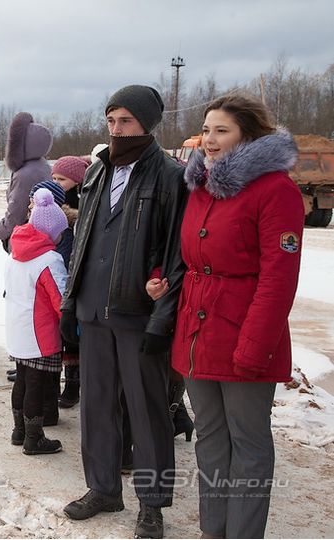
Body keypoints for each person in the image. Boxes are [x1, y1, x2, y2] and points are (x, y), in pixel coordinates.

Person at [170, 94, 304, 539]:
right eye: (206, 130)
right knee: (210, 439)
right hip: (196, 336)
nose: (209, 139)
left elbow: (278, 280)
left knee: (247, 443)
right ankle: (214, 531)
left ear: (247, 134)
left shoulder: (275, 189)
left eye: (221, 130)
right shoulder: (201, 186)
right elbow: (192, 258)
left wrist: (255, 347)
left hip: (245, 337)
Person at [59, 85, 187, 539]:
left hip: (137, 314)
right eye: (111, 121)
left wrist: (161, 319)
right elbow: (83, 243)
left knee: (148, 410)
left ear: (148, 124)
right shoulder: (97, 172)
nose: (117, 130)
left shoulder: (169, 176)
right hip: (94, 310)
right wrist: (69, 303)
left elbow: (176, 256)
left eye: (126, 121)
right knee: (96, 405)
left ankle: (151, 504)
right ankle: (103, 488)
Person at [6, 188, 68, 455]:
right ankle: (34, 438)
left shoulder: (16, 252)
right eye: (60, 232)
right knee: (36, 384)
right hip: (40, 334)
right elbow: (59, 298)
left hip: (17, 328)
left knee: (22, 379)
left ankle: (19, 430)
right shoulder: (49, 259)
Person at [0, 112, 53, 253]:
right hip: (41, 237)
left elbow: (17, 211)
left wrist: (1, 231)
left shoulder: (25, 175)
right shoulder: (43, 166)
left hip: (25, 240)